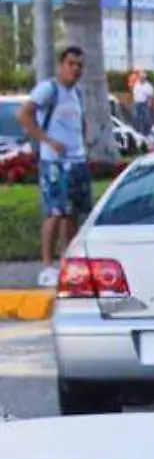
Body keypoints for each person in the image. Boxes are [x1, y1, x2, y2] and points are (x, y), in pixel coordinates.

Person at [20, 46, 92, 289]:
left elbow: (80, 122)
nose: (76, 69)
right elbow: (25, 115)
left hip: (77, 160)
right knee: (55, 212)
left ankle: (67, 261)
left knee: (73, 213)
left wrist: (82, 144)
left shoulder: (77, 93)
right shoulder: (48, 90)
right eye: (71, 64)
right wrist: (47, 141)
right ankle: (47, 265)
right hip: (55, 162)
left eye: (80, 65)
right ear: (62, 65)